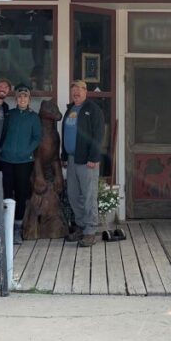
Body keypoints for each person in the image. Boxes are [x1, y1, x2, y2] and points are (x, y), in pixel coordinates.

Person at [61, 80, 105, 248]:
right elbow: (66, 133)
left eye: (79, 89)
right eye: (73, 90)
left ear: (86, 92)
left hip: (87, 160)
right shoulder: (70, 110)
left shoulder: (93, 110)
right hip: (72, 159)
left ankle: (90, 231)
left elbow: (98, 135)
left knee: (88, 196)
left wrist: (93, 157)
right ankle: (80, 226)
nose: (76, 92)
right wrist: (64, 156)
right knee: (73, 194)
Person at [0, 84, 41, 244]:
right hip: (6, 160)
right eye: (20, 96)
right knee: (7, 194)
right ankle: (6, 228)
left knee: (22, 194)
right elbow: (1, 134)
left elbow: (37, 137)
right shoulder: (10, 115)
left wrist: (26, 151)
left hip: (24, 162)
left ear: (29, 99)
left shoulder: (33, 117)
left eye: (25, 96)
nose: (22, 99)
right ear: (16, 99)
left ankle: (17, 228)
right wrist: (3, 149)